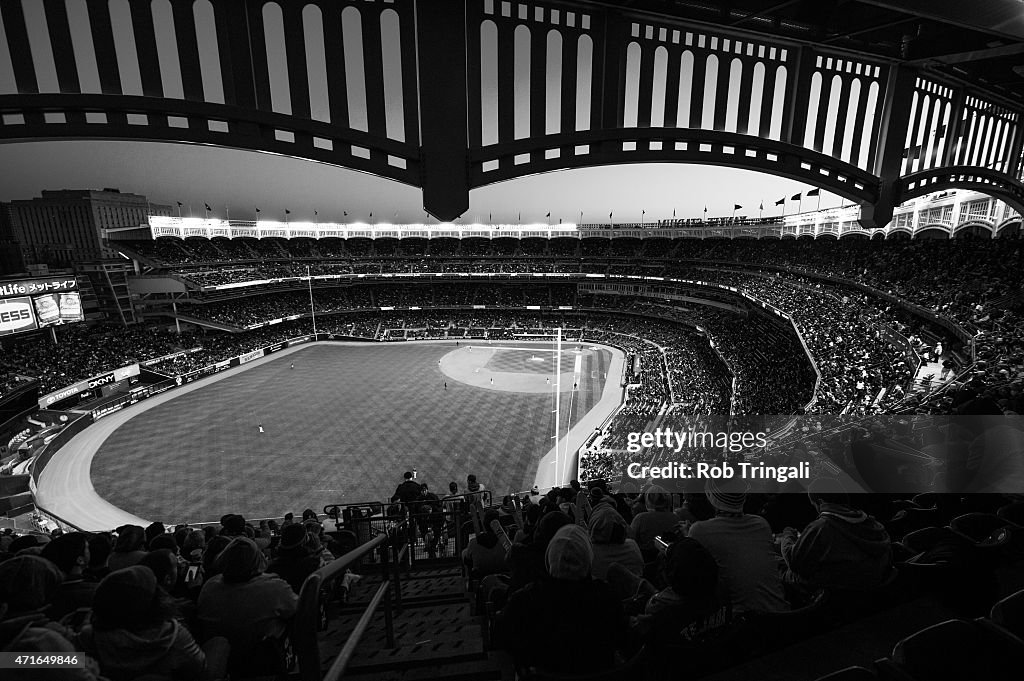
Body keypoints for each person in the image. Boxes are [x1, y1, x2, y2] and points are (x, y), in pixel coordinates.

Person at [496, 525, 627, 675]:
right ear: (587, 558)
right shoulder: (607, 597)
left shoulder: (526, 599)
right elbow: (622, 637)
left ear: (550, 558)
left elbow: (502, 636)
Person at [79, 566, 227, 681]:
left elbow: (57, 662)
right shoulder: (173, 635)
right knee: (220, 642)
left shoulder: (89, 636)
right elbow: (200, 671)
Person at [197, 537, 298, 676]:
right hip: (264, 661)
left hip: (225, 662)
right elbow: (298, 610)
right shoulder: (274, 586)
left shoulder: (210, 586)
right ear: (257, 560)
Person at [687, 479, 789, 614]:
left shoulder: (699, 531)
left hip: (741, 623)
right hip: (781, 614)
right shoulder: (761, 524)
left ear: (711, 497)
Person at [780, 479, 895, 592]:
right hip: (878, 581)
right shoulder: (869, 521)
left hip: (847, 589)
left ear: (820, 502)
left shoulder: (821, 527)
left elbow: (793, 561)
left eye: (814, 504)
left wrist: (787, 533)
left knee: (782, 569)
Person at [40, 532, 97, 621]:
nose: (91, 551)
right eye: (87, 548)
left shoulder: (42, 590)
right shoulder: (94, 592)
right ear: (80, 560)